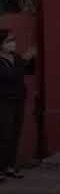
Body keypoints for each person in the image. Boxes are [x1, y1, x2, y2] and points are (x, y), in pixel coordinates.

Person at [0, 29, 36, 181]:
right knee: (4, 135)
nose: (12, 43)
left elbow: (29, 71)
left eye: (13, 39)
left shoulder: (16, 58)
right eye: (9, 40)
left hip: (18, 100)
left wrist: (31, 59)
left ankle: (10, 167)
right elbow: (8, 77)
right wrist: (24, 60)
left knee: (15, 134)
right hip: (4, 102)